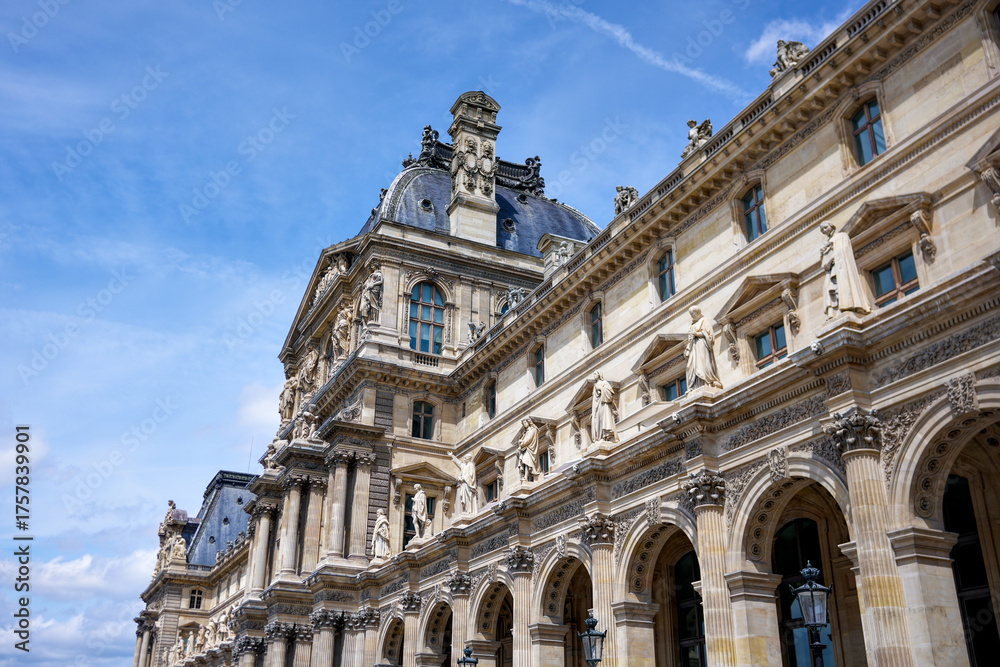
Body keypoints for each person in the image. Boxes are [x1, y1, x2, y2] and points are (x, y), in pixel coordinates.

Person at [820, 222, 874, 317]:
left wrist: (832, 247)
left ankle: (848, 305)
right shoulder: (825, 245)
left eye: (825, 227)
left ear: (831, 226)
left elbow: (844, 250)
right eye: (822, 230)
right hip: (832, 269)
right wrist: (824, 253)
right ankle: (835, 312)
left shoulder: (841, 236)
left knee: (844, 284)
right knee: (828, 288)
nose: (824, 230)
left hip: (842, 267)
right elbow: (824, 264)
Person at [685, 307, 723, 389]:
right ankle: (696, 385)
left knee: (702, 363)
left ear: (697, 312)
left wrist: (697, 334)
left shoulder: (704, 320)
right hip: (693, 347)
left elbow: (709, 335)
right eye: (690, 314)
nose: (692, 316)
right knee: (692, 365)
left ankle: (707, 382)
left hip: (702, 344)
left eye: (693, 313)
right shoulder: (692, 325)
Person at [591, 372, 619, 443]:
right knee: (598, 421)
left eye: (595, 374)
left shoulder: (604, 383)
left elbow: (610, 395)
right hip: (597, 407)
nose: (594, 375)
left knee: (604, 419)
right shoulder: (595, 386)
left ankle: (605, 436)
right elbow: (594, 400)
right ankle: (599, 437)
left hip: (604, 405)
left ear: (599, 375)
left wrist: (600, 388)